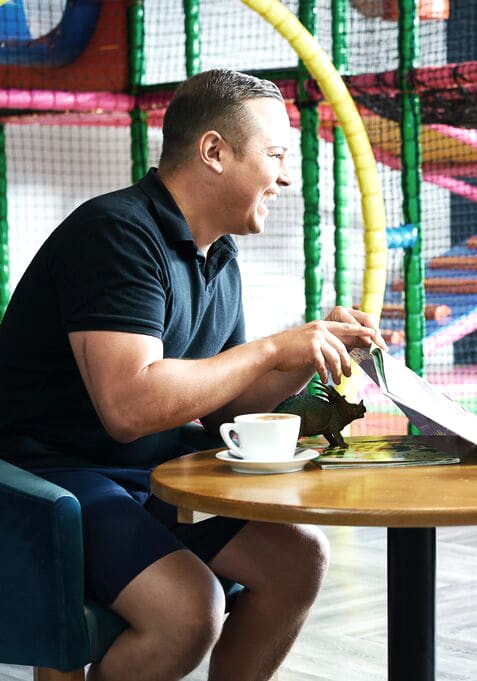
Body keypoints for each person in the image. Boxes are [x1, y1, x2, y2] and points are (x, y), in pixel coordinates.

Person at [0, 68, 385, 681]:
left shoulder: (218, 255)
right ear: (214, 151)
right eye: (276, 155)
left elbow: (224, 407)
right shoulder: (117, 234)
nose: (286, 176)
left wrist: (302, 355)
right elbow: (129, 408)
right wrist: (268, 350)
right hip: (45, 476)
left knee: (297, 560)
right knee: (189, 609)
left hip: (136, 473)